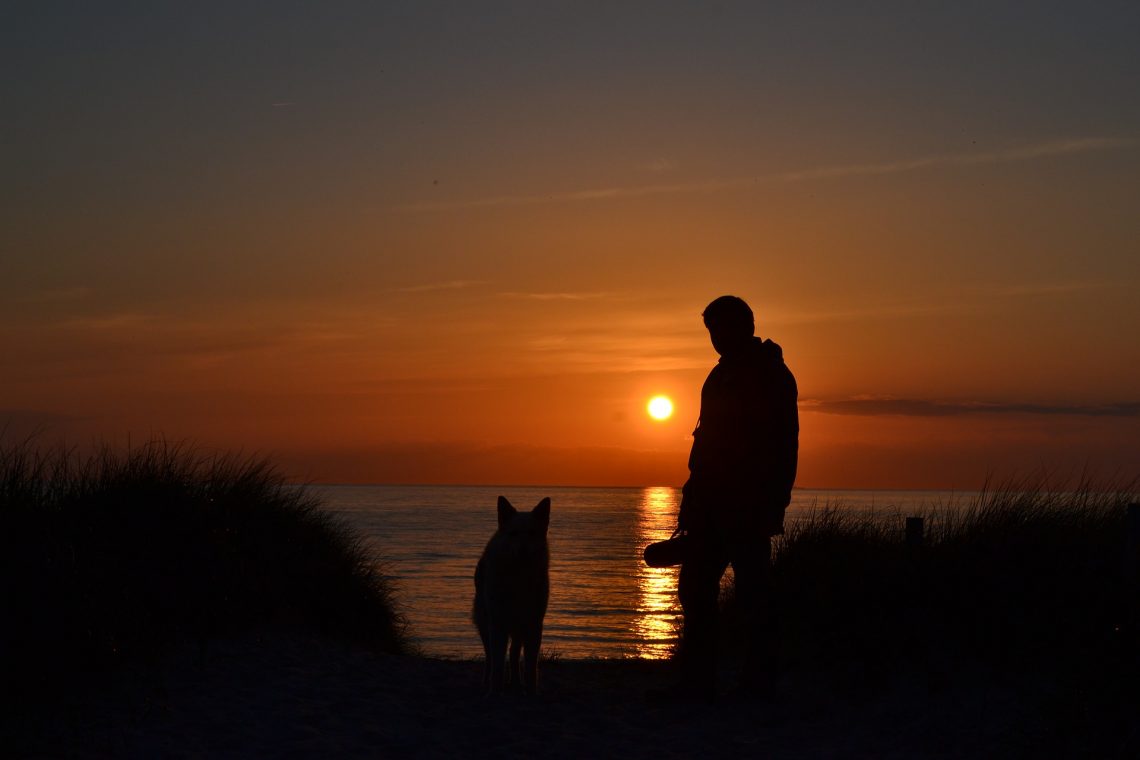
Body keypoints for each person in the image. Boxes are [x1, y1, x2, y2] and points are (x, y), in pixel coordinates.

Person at [673, 295, 799, 701]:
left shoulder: (771, 374)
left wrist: (774, 502)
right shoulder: (719, 374)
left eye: (719, 328)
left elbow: (784, 444)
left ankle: (756, 683)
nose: (714, 337)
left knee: (753, 598)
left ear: (742, 325)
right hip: (710, 504)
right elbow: (705, 442)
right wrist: (691, 497)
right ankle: (697, 683)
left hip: (748, 505)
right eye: (710, 330)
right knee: (695, 590)